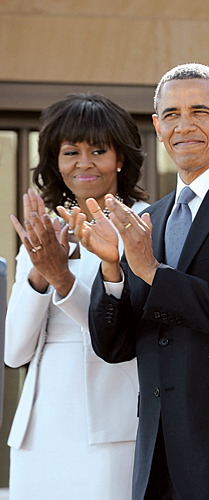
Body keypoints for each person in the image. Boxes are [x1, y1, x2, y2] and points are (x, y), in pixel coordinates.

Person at [67, 63, 209, 500]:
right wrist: (113, 269)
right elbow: (113, 347)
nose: (184, 126)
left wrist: (153, 272)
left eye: (200, 111)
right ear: (157, 127)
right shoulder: (147, 220)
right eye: (171, 114)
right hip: (156, 456)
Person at [5, 93, 150, 500]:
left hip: (109, 425)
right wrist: (39, 271)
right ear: (56, 160)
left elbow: (123, 335)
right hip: (38, 431)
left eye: (98, 150)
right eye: (71, 152)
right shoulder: (43, 233)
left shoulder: (143, 225)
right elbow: (14, 352)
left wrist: (63, 279)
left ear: (120, 158)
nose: (83, 163)